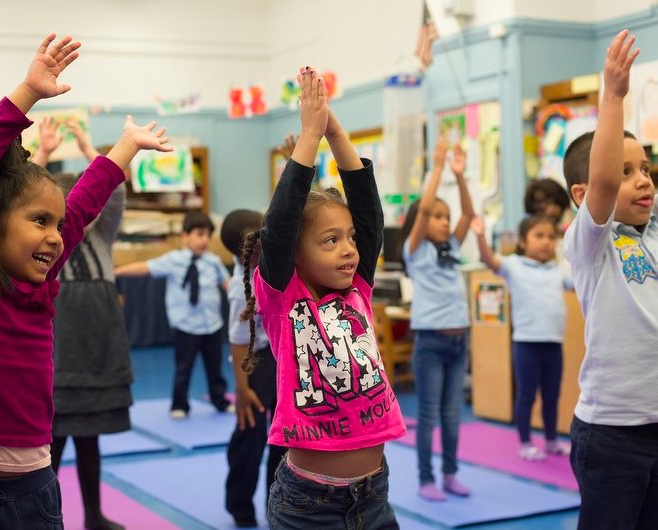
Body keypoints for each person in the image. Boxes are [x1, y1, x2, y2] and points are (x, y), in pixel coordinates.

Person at [0, 34, 171, 528]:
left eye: (56, 224)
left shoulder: (38, 285)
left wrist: (125, 148)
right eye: (38, 222)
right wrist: (27, 91)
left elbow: (83, 204)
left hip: (33, 491)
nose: (54, 237)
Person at [241, 66, 406, 529]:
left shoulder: (359, 290)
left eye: (350, 238)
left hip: (374, 495)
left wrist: (335, 133)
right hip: (308, 504)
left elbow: (370, 212)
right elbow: (281, 222)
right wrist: (308, 138)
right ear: (295, 253)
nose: (349, 249)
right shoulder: (282, 297)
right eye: (330, 241)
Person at [562, 30, 658, 529]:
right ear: (583, 195)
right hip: (612, 433)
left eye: (645, 168)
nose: (643, 179)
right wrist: (614, 95)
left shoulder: (654, 229)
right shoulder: (591, 243)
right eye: (627, 172)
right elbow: (601, 183)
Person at [33, 118, 133, 530]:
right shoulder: (43, 242)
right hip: (58, 344)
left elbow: (116, 191)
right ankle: (44, 518)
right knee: (49, 442)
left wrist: (92, 148)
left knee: (89, 439)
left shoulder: (102, 234)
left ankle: (93, 514)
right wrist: (42, 154)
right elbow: (22, 196)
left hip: (98, 342)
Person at [399, 135, 474, 501]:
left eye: (447, 217)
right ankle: (426, 478)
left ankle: (450, 474)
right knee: (428, 415)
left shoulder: (453, 247)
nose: (444, 223)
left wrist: (460, 177)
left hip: (459, 341)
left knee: (453, 415)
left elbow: (469, 215)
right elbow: (425, 209)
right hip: (431, 341)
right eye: (438, 217)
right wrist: (439, 166)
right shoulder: (415, 252)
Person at [472, 214, 572, 460]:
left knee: (551, 395)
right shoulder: (513, 265)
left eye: (551, 237)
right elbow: (488, 260)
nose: (546, 242)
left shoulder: (558, 270)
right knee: (527, 394)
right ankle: (525, 442)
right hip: (526, 344)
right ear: (523, 242)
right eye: (539, 236)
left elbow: (581, 281)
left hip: (553, 343)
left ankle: (550, 440)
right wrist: (480, 235)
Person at [114, 211, 232, 418]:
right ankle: (179, 405)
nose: (204, 240)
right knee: (183, 368)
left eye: (208, 235)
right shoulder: (173, 260)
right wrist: (116, 272)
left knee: (215, 367)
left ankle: (219, 400)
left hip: (212, 324)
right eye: (199, 234)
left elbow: (227, 285)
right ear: (184, 236)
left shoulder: (213, 262)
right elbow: (145, 267)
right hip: (185, 326)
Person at [221, 209, 286, 528]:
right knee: (250, 436)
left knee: (283, 437)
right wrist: (242, 391)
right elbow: (236, 343)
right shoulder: (240, 288)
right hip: (255, 363)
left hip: (279, 359)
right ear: (253, 249)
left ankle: (279, 503)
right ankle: (239, 506)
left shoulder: (267, 266)